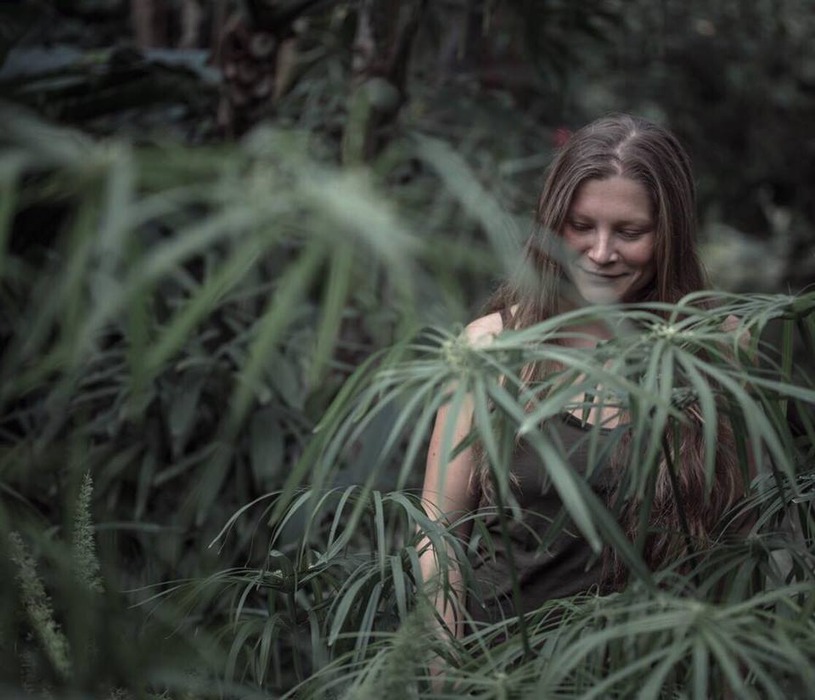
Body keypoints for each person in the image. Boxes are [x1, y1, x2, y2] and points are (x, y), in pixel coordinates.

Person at [419, 114, 745, 637]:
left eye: (630, 232)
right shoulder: (491, 348)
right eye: (581, 226)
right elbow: (438, 537)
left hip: (656, 663)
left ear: (671, 233)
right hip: (503, 662)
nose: (600, 252)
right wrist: (444, 670)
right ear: (552, 224)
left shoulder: (718, 348)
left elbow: (741, 539)